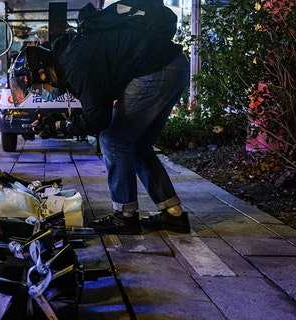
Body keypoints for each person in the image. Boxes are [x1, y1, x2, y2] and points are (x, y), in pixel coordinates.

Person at [22, 0, 191, 234]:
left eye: (40, 85)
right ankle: (174, 215)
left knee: (114, 139)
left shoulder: (76, 65)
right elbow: (95, 106)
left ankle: (125, 215)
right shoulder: (72, 55)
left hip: (156, 70)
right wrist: (57, 120)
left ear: (43, 71)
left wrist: (59, 125)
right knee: (139, 144)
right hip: (173, 66)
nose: (46, 90)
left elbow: (97, 121)